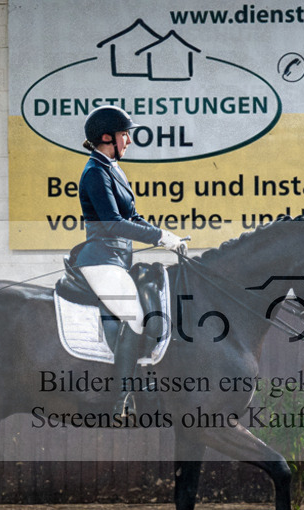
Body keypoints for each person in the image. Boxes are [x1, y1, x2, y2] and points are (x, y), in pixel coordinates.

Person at [71, 106, 187, 417]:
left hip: (118, 259)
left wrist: (166, 235)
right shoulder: (95, 172)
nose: (129, 141)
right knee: (135, 317)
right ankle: (120, 398)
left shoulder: (113, 169)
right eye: (125, 134)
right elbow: (111, 223)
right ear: (107, 137)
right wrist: (159, 237)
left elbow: (131, 217)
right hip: (101, 259)